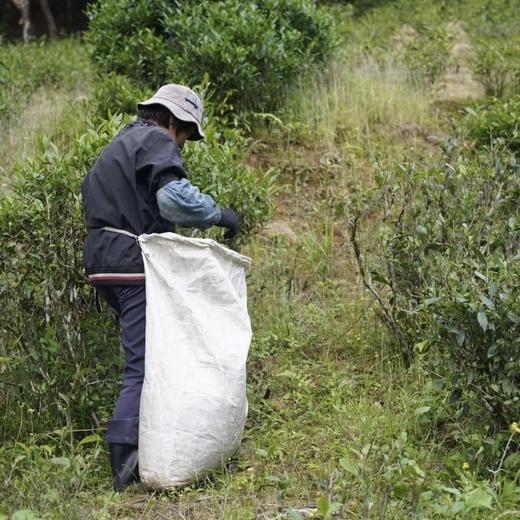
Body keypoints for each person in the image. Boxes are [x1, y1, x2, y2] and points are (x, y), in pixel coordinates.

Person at [81, 84, 239, 492]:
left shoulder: (120, 143)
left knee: (141, 353)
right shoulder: (155, 140)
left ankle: (138, 449)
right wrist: (220, 215)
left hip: (101, 260)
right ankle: (124, 468)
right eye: (185, 131)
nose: (183, 141)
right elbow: (173, 201)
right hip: (130, 260)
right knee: (143, 362)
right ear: (171, 120)